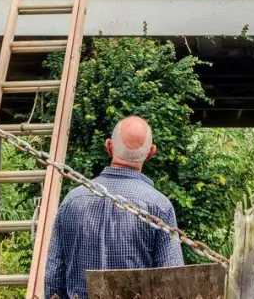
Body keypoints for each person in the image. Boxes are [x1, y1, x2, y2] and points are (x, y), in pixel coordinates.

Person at [42, 116, 183, 299]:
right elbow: (171, 281)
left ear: (109, 146)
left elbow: (53, 276)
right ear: (151, 152)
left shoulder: (72, 201)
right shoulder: (159, 207)